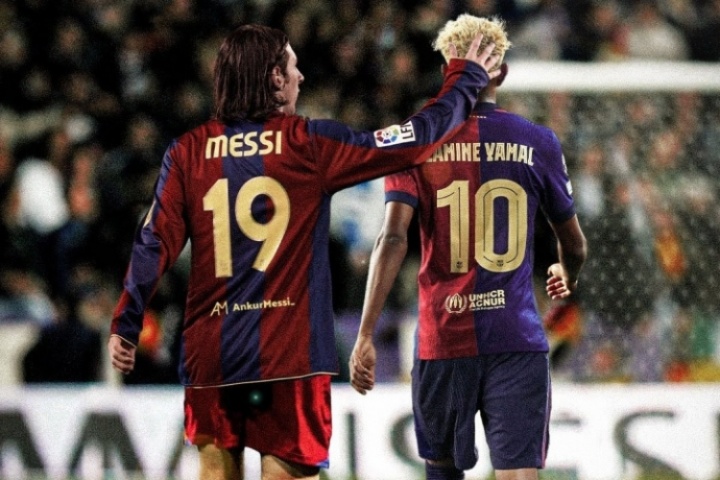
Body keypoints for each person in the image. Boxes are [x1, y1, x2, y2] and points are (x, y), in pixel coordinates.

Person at [107, 23, 501, 480]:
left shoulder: (187, 152)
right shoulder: (308, 144)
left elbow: (153, 241)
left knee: (215, 469)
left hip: (213, 351)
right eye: (293, 67)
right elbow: (414, 140)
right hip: (287, 353)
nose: (301, 77)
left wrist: (127, 321)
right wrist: (465, 79)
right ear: (276, 78)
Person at [349, 14, 588, 480]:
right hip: (516, 338)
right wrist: (568, 273)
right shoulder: (538, 140)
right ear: (503, 73)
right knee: (520, 473)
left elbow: (392, 237)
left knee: (442, 473)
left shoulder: (416, 138)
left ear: (447, 71)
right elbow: (574, 244)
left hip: (443, 337)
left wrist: (365, 333)